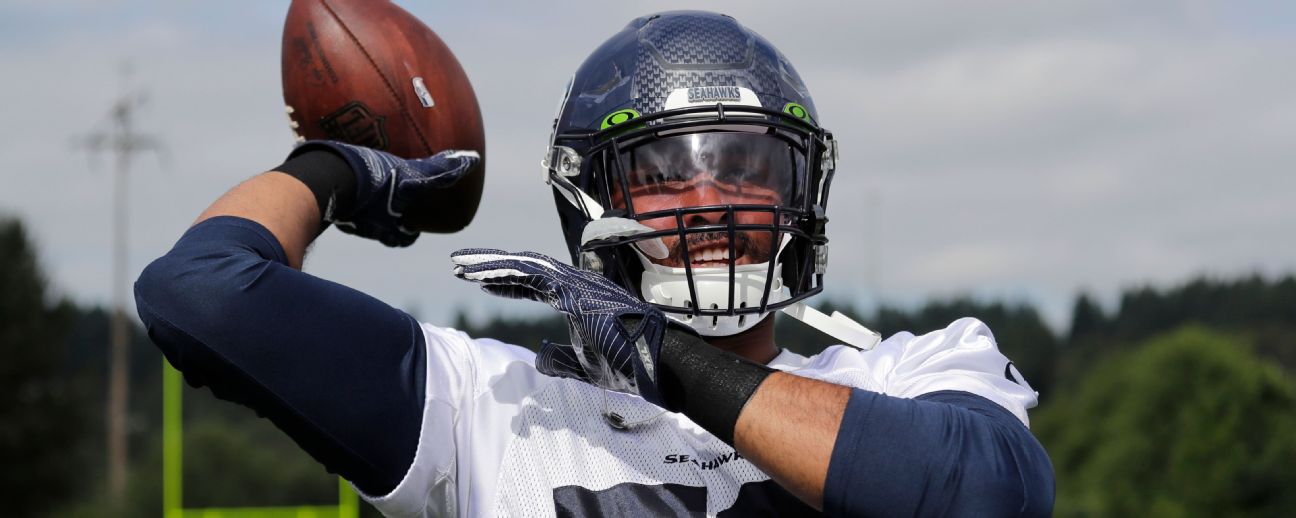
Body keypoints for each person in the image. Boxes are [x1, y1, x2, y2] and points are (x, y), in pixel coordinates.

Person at [135, 10, 1053, 517]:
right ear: (592, 197)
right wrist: (335, 171)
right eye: (665, 175)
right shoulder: (489, 412)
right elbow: (203, 295)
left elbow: (979, 496)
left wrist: (669, 363)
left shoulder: (911, 372)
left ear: (798, 194)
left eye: (746, 167)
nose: (712, 201)